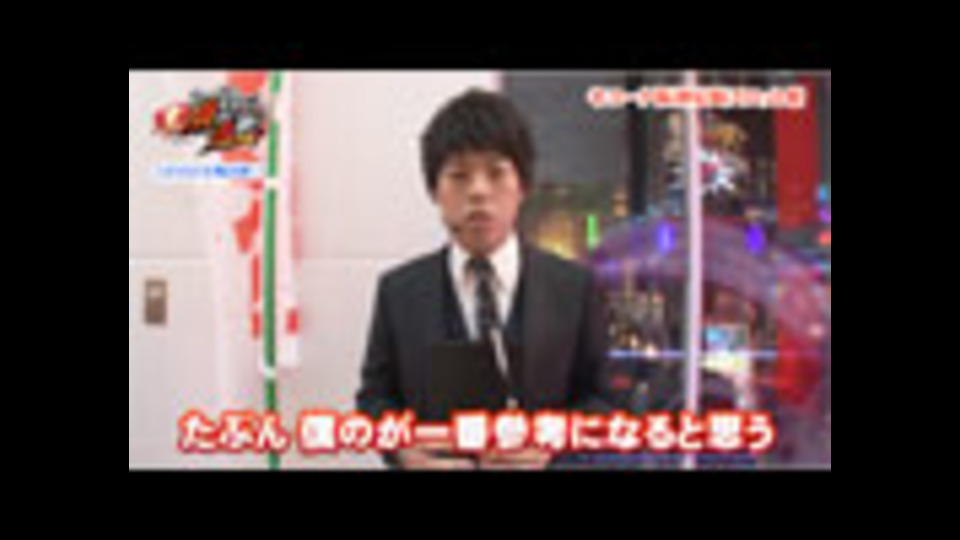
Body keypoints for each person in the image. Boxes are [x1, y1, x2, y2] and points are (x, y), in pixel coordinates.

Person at [356, 89, 610, 470]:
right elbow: (374, 398)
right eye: (459, 175)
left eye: (496, 172)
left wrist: (555, 449)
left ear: (523, 185)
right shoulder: (398, 291)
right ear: (434, 190)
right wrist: (402, 450)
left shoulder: (574, 288)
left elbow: (602, 401)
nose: (478, 191)